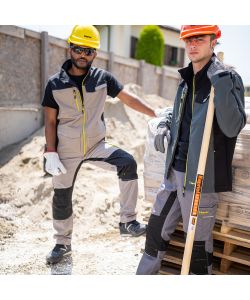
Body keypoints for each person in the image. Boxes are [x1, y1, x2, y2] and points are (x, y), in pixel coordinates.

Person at [42, 25, 157, 264]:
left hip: (96, 146)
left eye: (89, 50)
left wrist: (154, 113)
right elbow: (50, 121)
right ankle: (62, 244)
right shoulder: (55, 83)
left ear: (95, 53)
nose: (82, 54)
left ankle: (127, 221)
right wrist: (50, 151)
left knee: (127, 163)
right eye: (78, 49)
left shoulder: (103, 79)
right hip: (65, 152)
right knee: (61, 197)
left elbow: (127, 98)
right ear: (70, 48)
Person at [136, 25, 246, 275]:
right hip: (174, 173)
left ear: (213, 41)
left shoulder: (227, 78)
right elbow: (180, 115)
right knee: (155, 230)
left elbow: (232, 127)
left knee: (196, 248)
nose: (192, 45)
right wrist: (166, 122)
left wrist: (221, 81)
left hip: (200, 179)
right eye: (188, 40)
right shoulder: (187, 80)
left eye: (199, 39)